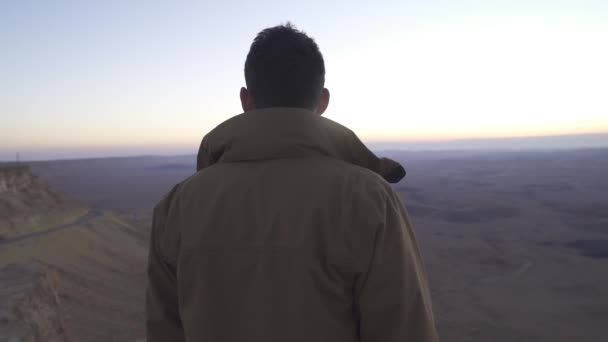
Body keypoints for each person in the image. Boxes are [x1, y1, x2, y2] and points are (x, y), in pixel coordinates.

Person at [146, 23, 439, 342]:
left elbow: (165, 331)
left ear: (246, 100)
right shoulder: (369, 200)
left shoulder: (176, 207)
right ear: (323, 102)